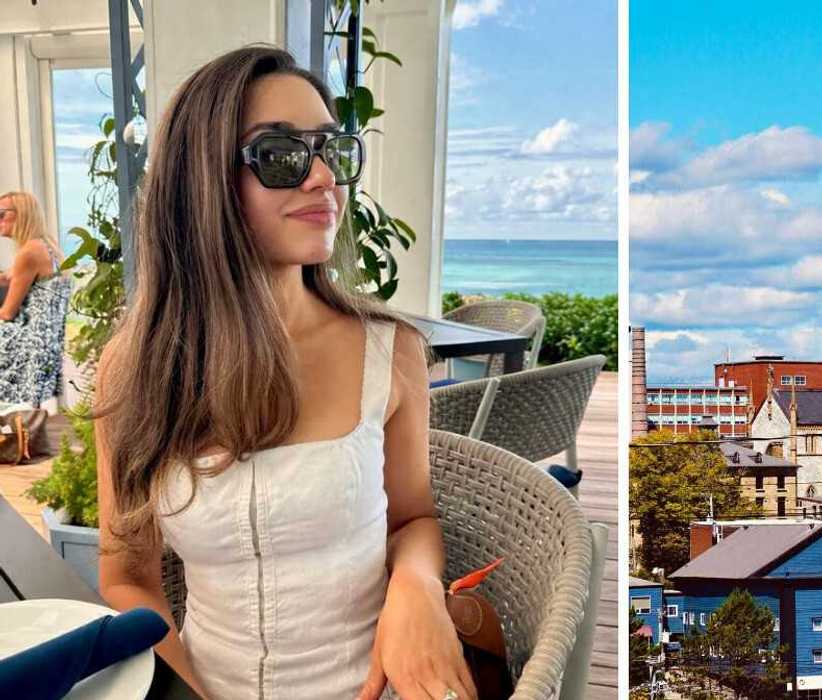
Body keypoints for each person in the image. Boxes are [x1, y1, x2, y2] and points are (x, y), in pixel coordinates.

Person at [93, 45, 476, 700]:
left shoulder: (390, 351)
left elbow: (412, 518)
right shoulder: (136, 370)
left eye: (331, 148)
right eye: (280, 154)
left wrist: (415, 587)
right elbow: (126, 571)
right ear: (204, 181)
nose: (324, 177)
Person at [0, 191, 70, 405]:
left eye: (2, 214)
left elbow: (7, 313)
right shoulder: (45, 245)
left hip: (28, 343)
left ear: (22, 214)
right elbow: (12, 277)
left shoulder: (28, 253)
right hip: (46, 340)